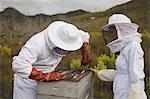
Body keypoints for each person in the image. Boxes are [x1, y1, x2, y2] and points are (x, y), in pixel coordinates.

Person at [12, 21, 91, 99]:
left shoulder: (68, 33)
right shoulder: (36, 43)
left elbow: (84, 35)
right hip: (28, 83)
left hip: (48, 78)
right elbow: (19, 65)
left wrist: (85, 51)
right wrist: (45, 76)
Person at [91, 14, 147, 99]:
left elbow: (136, 79)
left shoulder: (133, 46)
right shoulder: (125, 48)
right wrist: (100, 73)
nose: (112, 34)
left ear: (121, 29)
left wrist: (134, 96)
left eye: (113, 31)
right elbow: (121, 73)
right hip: (121, 94)